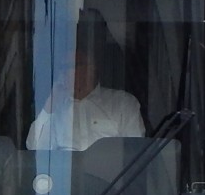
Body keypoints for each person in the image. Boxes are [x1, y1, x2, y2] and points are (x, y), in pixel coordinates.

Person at [25, 16, 144, 152]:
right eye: (63, 67)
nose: (66, 72)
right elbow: (34, 147)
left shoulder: (123, 104)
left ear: (92, 67)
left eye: (73, 65)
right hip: (65, 167)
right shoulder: (56, 110)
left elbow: (136, 152)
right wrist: (48, 108)